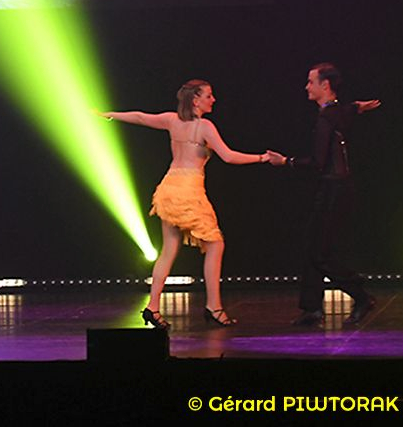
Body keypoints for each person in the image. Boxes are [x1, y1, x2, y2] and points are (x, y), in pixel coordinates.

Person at [101, 80, 279, 329]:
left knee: (169, 249)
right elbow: (228, 156)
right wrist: (262, 158)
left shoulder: (172, 120)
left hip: (168, 187)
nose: (213, 99)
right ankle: (214, 306)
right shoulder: (204, 126)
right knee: (215, 244)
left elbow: (140, 117)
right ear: (195, 100)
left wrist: (110, 114)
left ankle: (153, 306)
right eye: (208, 95)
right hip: (188, 190)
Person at [274, 63, 381, 326]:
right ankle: (312, 308)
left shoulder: (326, 117)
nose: (306, 87)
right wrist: (356, 106)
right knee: (312, 246)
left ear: (325, 85)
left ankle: (361, 296)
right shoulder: (335, 111)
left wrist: (285, 161)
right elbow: (343, 111)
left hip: (334, 189)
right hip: (336, 187)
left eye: (311, 82)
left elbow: (318, 162)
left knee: (318, 252)